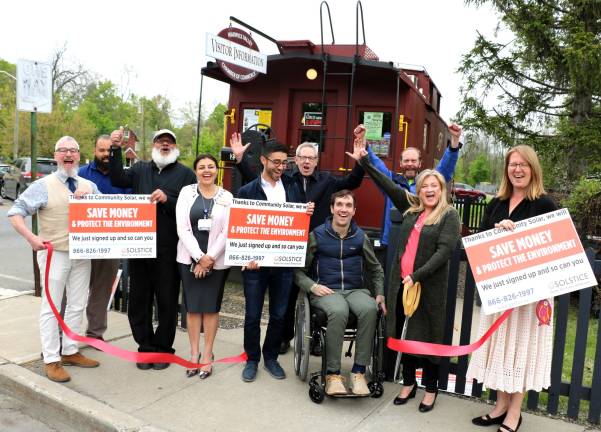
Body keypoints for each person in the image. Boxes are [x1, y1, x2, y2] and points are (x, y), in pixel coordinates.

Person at [350, 138, 460, 412]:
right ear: (419, 191)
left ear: (441, 189)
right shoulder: (412, 209)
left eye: (434, 186)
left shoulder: (449, 215)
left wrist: (417, 275)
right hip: (403, 285)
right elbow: (388, 184)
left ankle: (431, 388)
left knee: (430, 337)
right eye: (425, 187)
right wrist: (364, 161)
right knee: (407, 333)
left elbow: (444, 252)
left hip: (427, 288)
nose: (429, 190)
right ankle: (409, 383)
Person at [230, 134, 365, 354]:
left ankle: (315, 339)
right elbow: (257, 181)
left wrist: (360, 162)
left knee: (317, 294)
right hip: (286, 248)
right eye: (302, 157)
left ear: (316, 161)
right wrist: (240, 159)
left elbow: (352, 182)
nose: (306, 162)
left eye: (311, 158)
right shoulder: (287, 179)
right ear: (296, 160)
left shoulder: (327, 181)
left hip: (318, 250)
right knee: (287, 298)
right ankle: (284, 338)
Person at [467, 145, 557, 432]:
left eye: (523, 165)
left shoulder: (544, 204)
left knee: (519, 352)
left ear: (533, 169)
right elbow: (479, 238)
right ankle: (500, 406)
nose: (517, 170)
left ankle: (514, 413)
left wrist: (519, 234)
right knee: (501, 350)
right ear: (506, 169)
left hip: (530, 298)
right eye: (512, 164)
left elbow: (554, 247)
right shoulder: (497, 202)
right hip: (499, 292)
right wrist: (495, 232)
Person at [7, 136, 101, 383]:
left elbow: (107, 211)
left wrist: (91, 197)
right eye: (63, 151)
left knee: (78, 303)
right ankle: (51, 358)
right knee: (51, 307)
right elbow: (15, 212)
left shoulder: (88, 184)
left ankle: (70, 350)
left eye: (73, 150)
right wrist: (31, 238)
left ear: (79, 156)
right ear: (56, 155)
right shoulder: (43, 185)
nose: (68, 154)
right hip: (54, 253)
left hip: (82, 254)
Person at [109, 128, 196, 370]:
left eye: (169, 141)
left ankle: (163, 349)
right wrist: (116, 149)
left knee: (167, 301)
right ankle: (145, 348)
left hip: (169, 250)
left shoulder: (186, 174)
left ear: (175, 147)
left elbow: (192, 208)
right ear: (154, 145)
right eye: (160, 141)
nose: (165, 144)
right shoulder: (139, 169)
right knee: (138, 300)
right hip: (139, 248)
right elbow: (117, 179)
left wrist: (169, 199)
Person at [295, 189, 386, 395]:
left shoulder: (360, 236)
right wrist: (312, 286)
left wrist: (379, 293)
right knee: (339, 310)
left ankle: (358, 372)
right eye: (339, 205)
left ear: (354, 210)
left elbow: (376, 269)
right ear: (332, 208)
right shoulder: (317, 235)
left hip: (355, 290)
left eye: (348, 206)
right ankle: (333, 374)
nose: (343, 210)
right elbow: (298, 271)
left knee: (370, 308)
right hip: (326, 290)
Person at [237, 140, 314, 382]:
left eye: (284, 162)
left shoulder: (292, 186)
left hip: (283, 263)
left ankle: (270, 357)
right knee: (252, 315)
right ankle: (252, 359)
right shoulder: (247, 191)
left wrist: (306, 212)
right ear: (263, 160)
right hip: (255, 265)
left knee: (280, 314)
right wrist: (245, 256)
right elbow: (241, 228)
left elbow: (297, 223)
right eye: (276, 162)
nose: (281, 167)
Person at [176, 154, 233, 379]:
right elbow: (183, 228)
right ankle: (193, 354)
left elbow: (227, 231)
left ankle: (207, 355)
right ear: (196, 171)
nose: (206, 170)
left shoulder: (227, 196)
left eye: (211, 167)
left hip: (217, 262)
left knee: (210, 308)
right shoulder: (186, 192)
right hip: (188, 259)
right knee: (193, 309)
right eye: (201, 167)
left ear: (217, 170)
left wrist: (209, 259)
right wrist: (199, 257)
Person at [361, 123, 462, 247]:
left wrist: (455, 141)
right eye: (406, 161)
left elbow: (445, 167)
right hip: (392, 240)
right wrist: (363, 143)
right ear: (401, 163)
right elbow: (376, 165)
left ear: (420, 163)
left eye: (414, 161)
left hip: (421, 242)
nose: (410, 164)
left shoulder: (428, 183)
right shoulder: (391, 181)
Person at [78, 135, 132, 342]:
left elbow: (132, 205)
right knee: (75, 289)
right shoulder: (81, 174)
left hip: (110, 244)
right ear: (94, 151)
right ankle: (67, 333)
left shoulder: (124, 176)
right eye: (101, 150)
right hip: (83, 242)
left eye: (110, 151)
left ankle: (95, 334)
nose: (106, 155)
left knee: (101, 290)